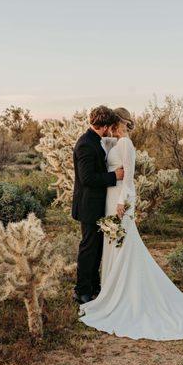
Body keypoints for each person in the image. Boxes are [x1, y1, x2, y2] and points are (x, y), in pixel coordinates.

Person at [79, 107, 183, 341]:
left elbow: (130, 178)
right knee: (113, 246)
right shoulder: (112, 143)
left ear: (116, 122)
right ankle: (110, 290)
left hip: (118, 203)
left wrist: (123, 203)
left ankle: (124, 295)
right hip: (109, 199)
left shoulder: (125, 145)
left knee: (123, 246)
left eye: (111, 122)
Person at [72, 106, 124, 304]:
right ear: (103, 126)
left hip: (97, 205)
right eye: (109, 127)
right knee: (88, 248)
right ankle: (81, 290)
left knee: (96, 248)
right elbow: (87, 178)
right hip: (88, 206)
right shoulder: (85, 144)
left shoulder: (96, 140)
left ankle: (93, 286)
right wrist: (114, 176)